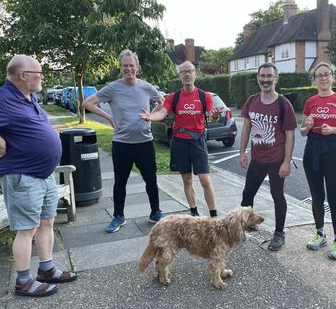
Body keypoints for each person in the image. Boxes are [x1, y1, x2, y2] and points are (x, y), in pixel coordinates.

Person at [0, 55, 78, 298]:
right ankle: (24, 281)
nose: (42, 77)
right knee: (26, 229)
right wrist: (0, 141)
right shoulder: (2, 99)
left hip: (44, 174)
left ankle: (46, 270)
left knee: (46, 222)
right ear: (22, 75)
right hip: (22, 175)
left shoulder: (30, 96)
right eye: (38, 73)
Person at [83, 50, 165, 233]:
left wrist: (151, 116)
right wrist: (110, 119)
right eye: (125, 66)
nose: (129, 69)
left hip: (145, 143)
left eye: (131, 65)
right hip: (122, 144)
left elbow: (162, 101)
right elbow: (87, 103)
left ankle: (155, 213)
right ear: (120, 68)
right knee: (120, 181)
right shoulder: (113, 88)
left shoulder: (146, 87)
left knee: (151, 180)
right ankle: (118, 216)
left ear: (137, 67)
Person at [140, 61, 220, 218]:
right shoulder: (173, 97)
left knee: (205, 179)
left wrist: (215, 115)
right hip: (180, 141)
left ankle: (214, 216)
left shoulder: (204, 96)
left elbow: (211, 116)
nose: (188, 74)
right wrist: (150, 116)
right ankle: (194, 213)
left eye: (190, 71)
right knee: (187, 180)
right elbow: (162, 113)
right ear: (180, 75)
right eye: (184, 72)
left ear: (195, 73)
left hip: (197, 140)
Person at [300, 63, 336, 259]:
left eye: (327, 74)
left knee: (334, 198)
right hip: (312, 150)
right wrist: (306, 127)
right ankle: (320, 233)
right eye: (319, 75)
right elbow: (302, 131)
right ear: (314, 80)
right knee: (316, 196)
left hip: (333, 151)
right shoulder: (310, 102)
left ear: (332, 77)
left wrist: (334, 130)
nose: (323, 78)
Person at [239, 62, 297, 251]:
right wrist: (242, 152)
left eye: (269, 76)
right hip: (257, 158)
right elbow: (246, 126)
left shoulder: (283, 103)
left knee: (277, 196)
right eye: (262, 76)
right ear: (258, 78)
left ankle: (279, 233)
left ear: (276, 78)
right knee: (247, 194)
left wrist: (286, 162)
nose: (265, 80)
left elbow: (290, 134)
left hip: (276, 159)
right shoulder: (252, 100)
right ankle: (245, 227)